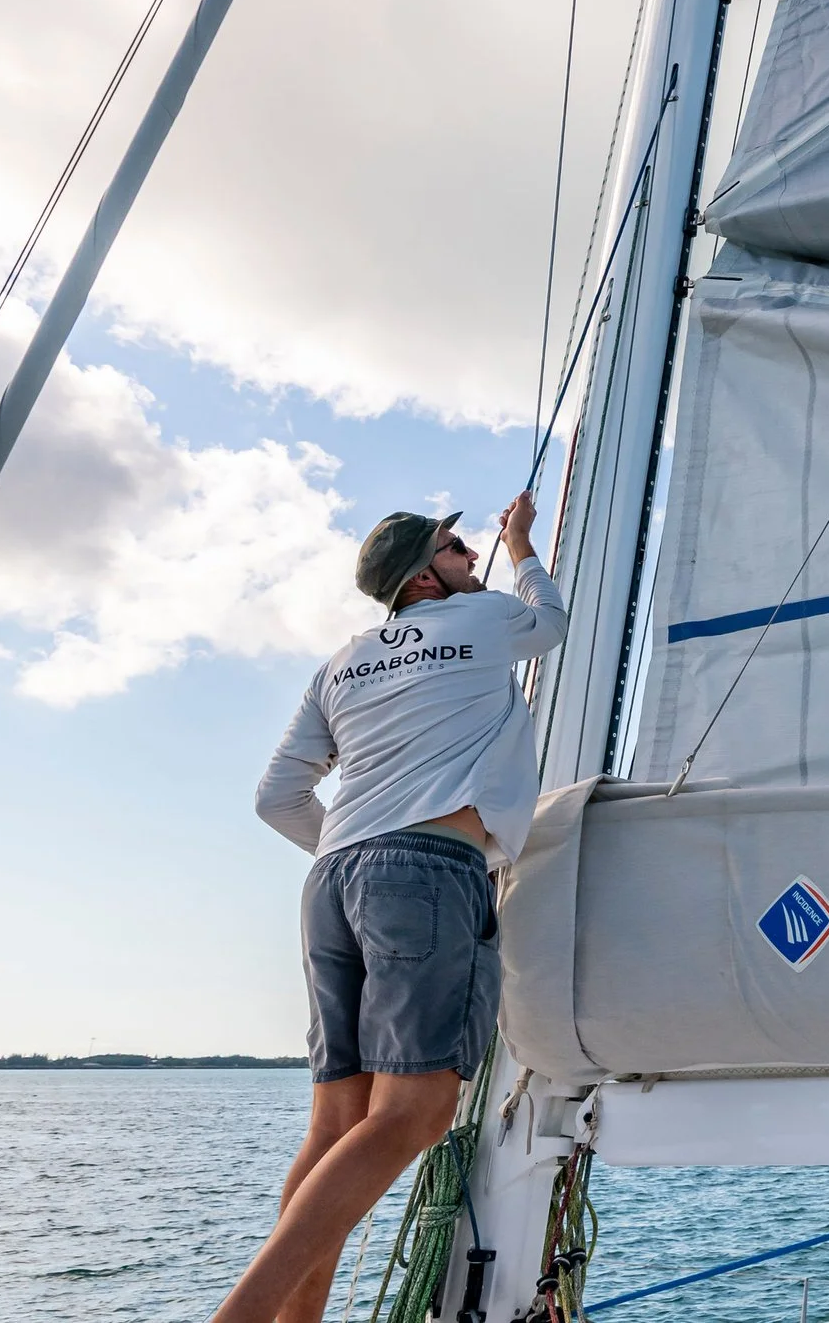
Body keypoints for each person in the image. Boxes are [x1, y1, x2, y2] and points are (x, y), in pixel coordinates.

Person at [218, 490, 566, 1323]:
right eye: (457, 548)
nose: (473, 559)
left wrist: (359, 848)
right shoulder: (481, 618)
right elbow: (548, 622)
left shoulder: (341, 662)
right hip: (426, 871)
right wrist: (522, 545)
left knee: (337, 1122)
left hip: (333, 878)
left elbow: (277, 797)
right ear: (420, 579)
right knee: (416, 1111)